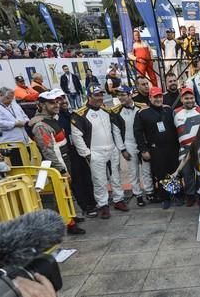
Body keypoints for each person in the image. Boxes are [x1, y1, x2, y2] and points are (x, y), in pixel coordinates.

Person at [29, 89, 85, 235]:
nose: (56, 105)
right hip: (56, 164)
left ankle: (70, 216)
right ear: (41, 105)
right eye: (51, 103)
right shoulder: (41, 125)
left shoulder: (51, 119)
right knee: (60, 194)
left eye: (56, 102)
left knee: (67, 192)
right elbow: (48, 152)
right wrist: (61, 170)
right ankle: (68, 224)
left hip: (64, 159)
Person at [70, 85, 129, 219]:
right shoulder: (80, 114)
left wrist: (118, 147)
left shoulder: (107, 111)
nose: (100, 98)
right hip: (95, 152)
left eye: (101, 95)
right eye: (96, 95)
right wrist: (86, 154)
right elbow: (76, 136)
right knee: (99, 180)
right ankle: (103, 205)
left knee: (116, 177)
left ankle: (119, 200)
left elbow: (115, 129)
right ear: (89, 97)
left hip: (111, 149)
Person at [134, 87, 179, 209]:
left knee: (173, 171)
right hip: (156, 149)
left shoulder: (168, 109)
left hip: (172, 147)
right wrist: (143, 149)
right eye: (155, 97)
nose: (158, 99)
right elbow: (138, 133)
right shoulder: (142, 113)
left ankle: (176, 194)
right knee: (161, 174)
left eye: (160, 96)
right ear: (150, 98)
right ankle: (165, 198)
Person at [57, 94, 97, 218]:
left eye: (64, 98)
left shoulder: (71, 113)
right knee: (77, 181)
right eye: (59, 100)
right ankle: (85, 206)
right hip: (67, 154)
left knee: (87, 177)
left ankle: (93, 202)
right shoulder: (55, 118)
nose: (63, 101)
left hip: (79, 150)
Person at [112, 85, 152, 207]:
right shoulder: (115, 111)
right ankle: (138, 194)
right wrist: (122, 149)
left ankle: (149, 191)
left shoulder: (142, 107)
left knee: (146, 170)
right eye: (118, 95)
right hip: (128, 143)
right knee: (133, 171)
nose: (120, 97)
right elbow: (116, 132)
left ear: (130, 95)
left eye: (123, 94)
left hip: (143, 143)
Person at [173, 87, 200, 206]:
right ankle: (190, 195)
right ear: (181, 99)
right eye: (186, 98)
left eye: (191, 98)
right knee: (187, 174)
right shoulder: (175, 112)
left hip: (199, 148)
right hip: (184, 148)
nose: (189, 100)